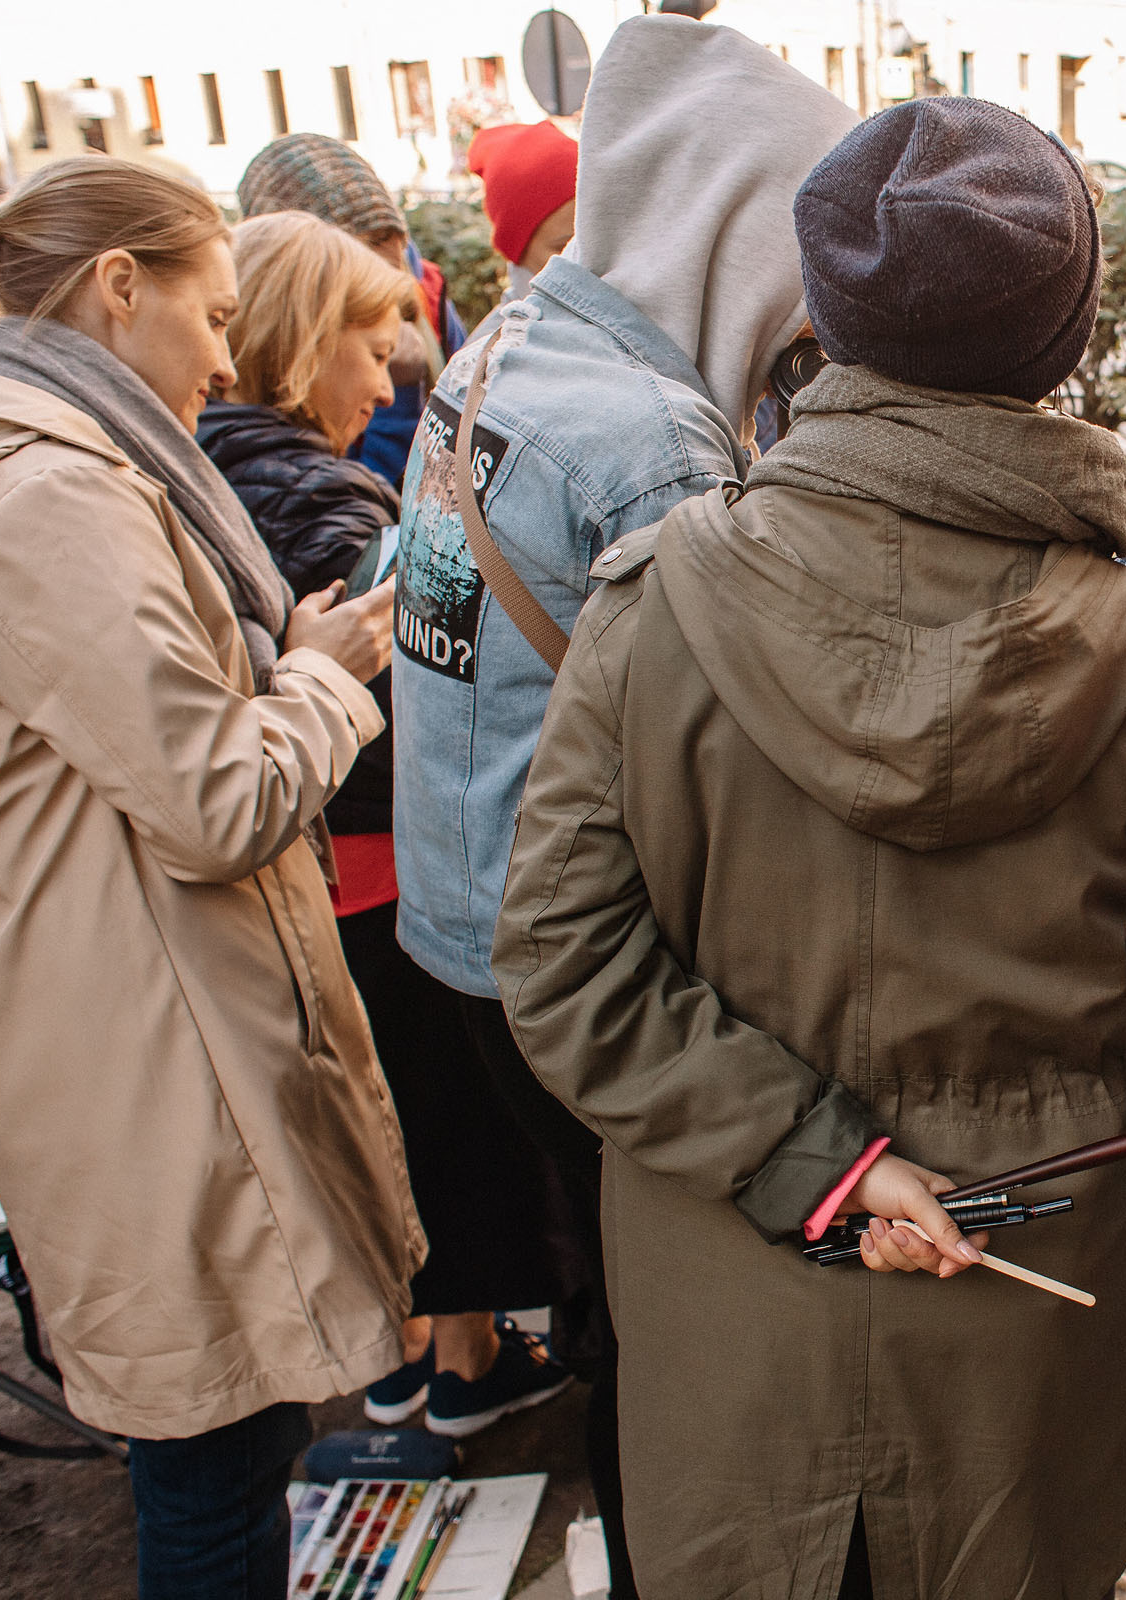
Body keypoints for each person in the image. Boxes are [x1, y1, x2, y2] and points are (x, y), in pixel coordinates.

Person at [493, 91, 1126, 1599]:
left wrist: (816, 1158)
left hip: (739, 1285)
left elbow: (560, 961)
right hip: (1023, 1283)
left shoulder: (654, 606)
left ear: (823, 307)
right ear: (1065, 332)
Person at [0, 157, 415, 1598]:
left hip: (104, 1029)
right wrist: (318, 674)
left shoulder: (19, 464)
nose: (230, 356)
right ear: (123, 290)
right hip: (140, 1052)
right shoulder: (45, 493)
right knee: (213, 1466)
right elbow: (216, 799)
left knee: (218, 1447)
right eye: (216, 311)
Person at [387, 18, 855, 1595]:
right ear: (731, 220)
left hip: (459, 928)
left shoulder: (498, 346)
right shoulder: (656, 438)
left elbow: (442, 628)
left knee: (600, 1303)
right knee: (670, 1331)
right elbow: (723, 776)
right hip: (577, 967)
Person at [195, 211, 579, 1439]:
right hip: (374, 864)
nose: (385, 383)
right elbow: (438, 676)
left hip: (305, 866)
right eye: (372, 351)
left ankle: (411, 1360)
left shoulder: (198, 466)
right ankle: (462, 1363)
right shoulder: (329, 495)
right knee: (447, 1134)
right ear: (306, 346)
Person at [237, 132, 467, 485]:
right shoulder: (261, 366)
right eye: (363, 286)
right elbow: (348, 502)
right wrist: (401, 396)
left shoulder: (427, 295)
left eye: (396, 266)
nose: (391, 299)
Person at [466, 121, 579, 302]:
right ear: (519, 251)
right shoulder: (507, 329)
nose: (588, 261)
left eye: (596, 239)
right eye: (564, 248)